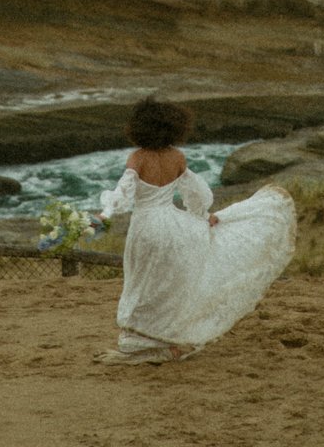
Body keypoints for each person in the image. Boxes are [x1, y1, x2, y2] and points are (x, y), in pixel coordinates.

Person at [98, 95, 296, 363]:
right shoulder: (177, 157)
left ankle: (140, 340)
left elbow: (124, 190)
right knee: (166, 282)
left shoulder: (138, 157)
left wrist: (105, 213)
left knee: (142, 280)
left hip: (146, 225)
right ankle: (162, 337)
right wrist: (202, 216)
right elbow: (196, 193)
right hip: (172, 223)